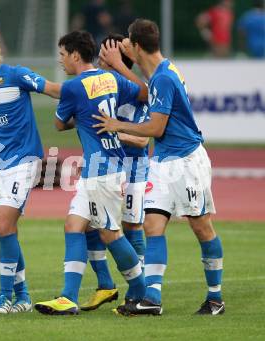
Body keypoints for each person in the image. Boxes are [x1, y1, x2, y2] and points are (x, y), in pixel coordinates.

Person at [93, 19, 225, 316]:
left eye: (128, 40)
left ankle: (215, 298)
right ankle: (152, 298)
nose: (125, 43)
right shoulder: (162, 71)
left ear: (137, 46)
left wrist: (117, 125)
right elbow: (145, 86)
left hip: (186, 162)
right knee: (153, 226)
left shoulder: (165, 78)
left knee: (201, 227)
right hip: (163, 161)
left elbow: (155, 126)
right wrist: (121, 65)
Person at [34, 30, 147, 316]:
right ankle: (68, 297)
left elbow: (60, 125)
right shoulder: (110, 78)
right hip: (103, 168)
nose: (60, 61)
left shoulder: (73, 87)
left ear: (74, 55)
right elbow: (144, 92)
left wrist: (81, 118)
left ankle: (140, 292)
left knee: (110, 234)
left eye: (62, 55)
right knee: (73, 226)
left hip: (103, 171)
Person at [0, 29, 60, 314]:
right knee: (5, 231)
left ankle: (4, 298)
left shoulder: (16, 75)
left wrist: (82, 102)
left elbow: (55, 90)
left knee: (4, 225)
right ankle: (24, 297)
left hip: (24, 160)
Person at [80, 33, 150, 312]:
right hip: (105, 166)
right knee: (89, 225)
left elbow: (144, 140)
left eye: (107, 55)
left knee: (132, 225)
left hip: (134, 168)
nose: (101, 60)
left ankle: (139, 289)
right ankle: (106, 284)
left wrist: (114, 131)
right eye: (101, 54)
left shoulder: (138, 94)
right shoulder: (98, 89)